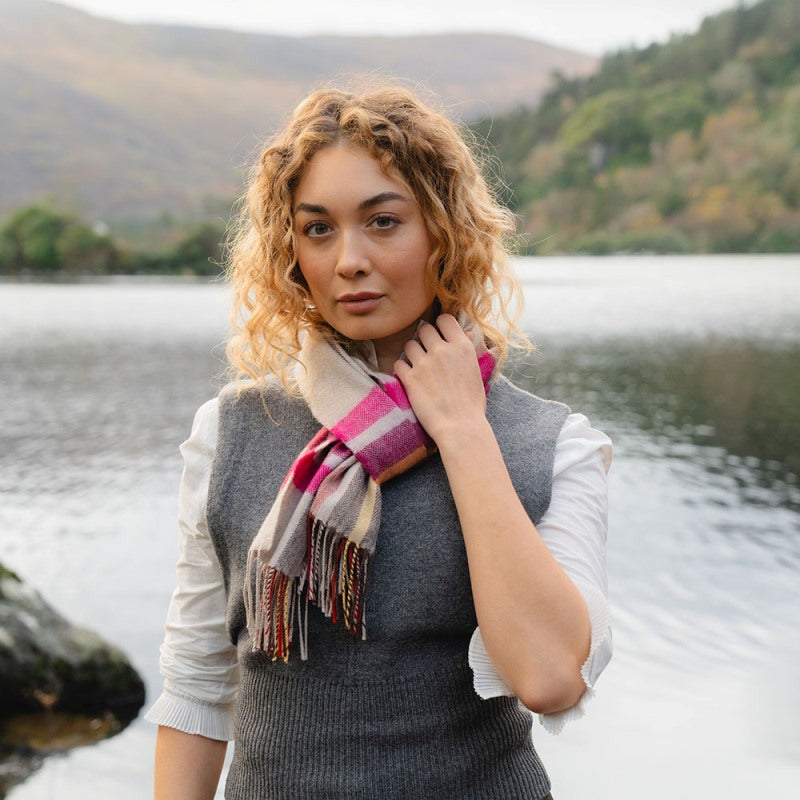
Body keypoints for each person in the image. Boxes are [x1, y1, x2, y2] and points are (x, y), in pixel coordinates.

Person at [145, 84, 612, 800]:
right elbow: (198, 687)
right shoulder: (231, 434)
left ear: (444, 233)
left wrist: (462, 432)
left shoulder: (553, 446)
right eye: (319, 229)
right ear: (290, 249)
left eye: (383, 221)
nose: (349, 260)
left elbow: (550, 678)